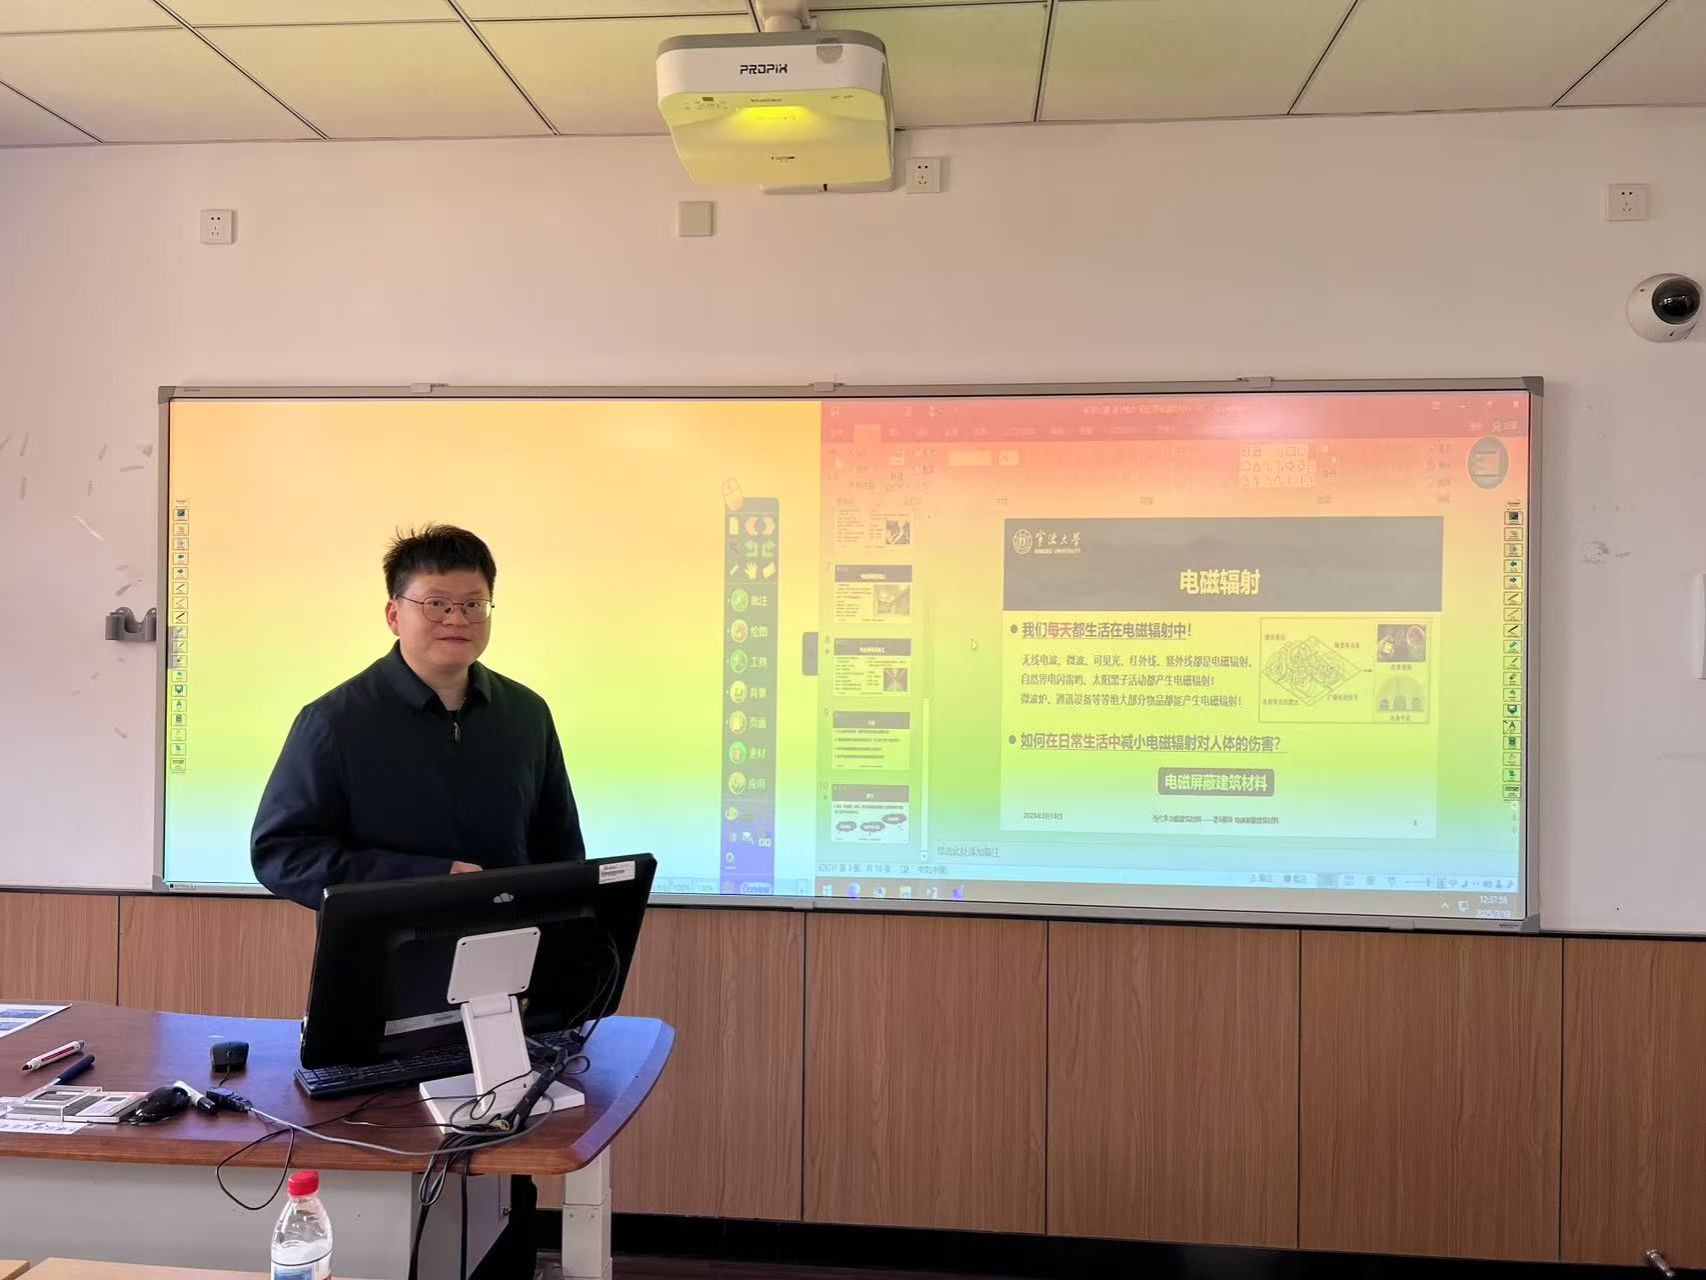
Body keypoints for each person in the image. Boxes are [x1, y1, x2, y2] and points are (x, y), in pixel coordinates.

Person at [251, 523, 583, 1280]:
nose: (456, 619)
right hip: (383, 994)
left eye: (473, 603)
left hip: (505, 994)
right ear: (394, 612)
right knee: (397, 1181)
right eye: (436, 602)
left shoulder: (526, 715)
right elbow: (281, 851)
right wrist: (427, 879)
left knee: (503, 1180)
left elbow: (560, 851)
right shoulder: (336, 721)